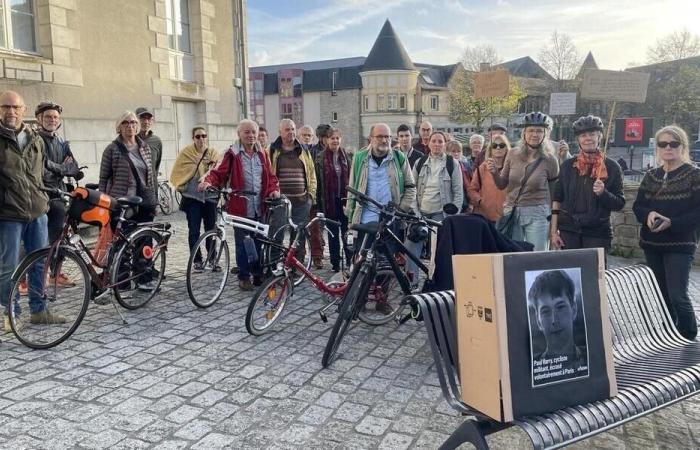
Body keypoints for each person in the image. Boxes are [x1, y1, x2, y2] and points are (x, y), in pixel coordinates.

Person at [0, 90, 66, 331]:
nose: (11, 112)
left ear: (24, 111)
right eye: (6, 107)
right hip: (8, 216)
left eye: (16, 107)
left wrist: (44, 201)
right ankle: (11, 313)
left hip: (37, 212)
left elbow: (39, 175)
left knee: (39, 262)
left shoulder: (34, 139)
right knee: (9, 266)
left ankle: (39, 310)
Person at [632, 125, 700, 340]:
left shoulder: (694, 174)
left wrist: (673, 222)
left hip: (680, 244)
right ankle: (670, 334)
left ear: (682, 146)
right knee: (661, 294)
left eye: (673, 143)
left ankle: (689, 335)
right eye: (663, 144)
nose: (668, 148)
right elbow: (638, 206)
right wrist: (649, 214)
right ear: (657, 148)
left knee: (677, 294)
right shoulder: (651, 175)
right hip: (652, 244)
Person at [199, 119, 280, 291]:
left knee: (259, 241)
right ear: (239, 134)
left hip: (260, 205)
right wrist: (207, 182)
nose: (251, 135)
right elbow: (217, 172)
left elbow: (271, 177)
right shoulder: (232, 153)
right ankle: (244, 277)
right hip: (240, 206)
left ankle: (257, 274)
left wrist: (273, 190)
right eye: (247, 132)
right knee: (243, 243)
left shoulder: (262, 153)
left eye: (253, 132)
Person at [550, 115, 625, 258]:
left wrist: (603, 193)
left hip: (597, 233)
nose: (587, 138)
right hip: (569, 231)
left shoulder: (612, 167)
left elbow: (619, 203)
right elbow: (557, 199)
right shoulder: (568, 166)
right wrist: (554, 232)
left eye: (592, 134)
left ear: (600, 136)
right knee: (570, 277)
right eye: (583, 135)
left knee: (595, 276)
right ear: (578, 140)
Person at [99, 111, 158, 290]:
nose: (130, 126)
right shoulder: (112, 149)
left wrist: (154, 201)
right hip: (122, 201)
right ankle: (122, 281)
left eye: (133, 122)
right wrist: (104, 204)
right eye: (125, 123)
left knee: (145, 240)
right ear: (119, 126)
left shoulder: (145, 147)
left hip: (144, 201)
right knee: (121, 241)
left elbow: (151, 176)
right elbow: (103, 178)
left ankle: (143, 278)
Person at [490, 112, 559, 251]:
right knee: (513, 255)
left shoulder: (550, 160)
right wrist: (494, 173)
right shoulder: (512, 154)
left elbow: (554, 195)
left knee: (537, 255)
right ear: (524, 133)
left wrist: (554, 227)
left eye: (539, 131)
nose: (535, 134)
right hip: (512, 211)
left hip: (538, 213)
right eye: (531, 130)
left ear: (545, 134)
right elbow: (502, 184)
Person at [405, 131, 462, 284]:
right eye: (434, 141)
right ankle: (412, 282)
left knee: (438, 252)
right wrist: (415, 212)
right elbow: (412, 189)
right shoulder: (420, 162)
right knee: (411, 247)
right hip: (421, 213)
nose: (437, 144)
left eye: (440, 141)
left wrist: (452, 216)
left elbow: (458, 192)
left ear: (445, 144)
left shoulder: (452, 164)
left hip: (441, 214)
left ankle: (435, 281)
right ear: (428, 143)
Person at [346, 123, 416, 242]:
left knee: (388, 258)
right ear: (371, 138)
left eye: (387, 137)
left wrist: (401, 210)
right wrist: (350, 217)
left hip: (391, 221)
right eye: (379, 137)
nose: (384, 140)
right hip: (365, 219)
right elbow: (353, 187)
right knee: (363, 257)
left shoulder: (399, 157)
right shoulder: (359, 157)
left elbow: (411, 187)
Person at [35, 101, 80, 286]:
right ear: (39, 119)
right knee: (36, 238)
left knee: (59, 237)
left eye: (55, 117)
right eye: (48, 117)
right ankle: (27, 278)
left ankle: (56, 273)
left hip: (59, 194)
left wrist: (60, 168)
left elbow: (74, 167)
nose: (52, 120)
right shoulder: (35, 140)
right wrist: (63, 167)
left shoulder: (62, 142)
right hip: (40, 193)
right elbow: (40, 167)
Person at [170, 126, 220, 272]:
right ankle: (197, 260)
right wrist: (183, 186)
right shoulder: (186, 153)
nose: (201, 139)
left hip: (210, 197)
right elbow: (177, 172)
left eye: (204, 136)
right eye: (198, 136)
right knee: (194, 231)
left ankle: (212, 259)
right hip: (192, 198)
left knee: (211, 229)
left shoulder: (213, 153)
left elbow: (219, 171)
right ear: (193, 138)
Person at [268, 119, 317, 262]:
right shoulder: (272, 150)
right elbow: (268, 174)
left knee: (298, 236)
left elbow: (312, 173)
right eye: (287, 129)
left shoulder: (303, 149)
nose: (291, 132)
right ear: (280, 132)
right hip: (280, 201)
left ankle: (296, 265)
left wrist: (311, 196)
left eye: (293, 129)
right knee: (277, 233)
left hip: (302, 201)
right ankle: (274, 264)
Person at [528, 270, 587, 374]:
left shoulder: (591, 357)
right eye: (546, 311)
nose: (554, 320)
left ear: (573, 310)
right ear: (538, 321)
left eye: (560, 307)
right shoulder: (530, 369)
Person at [315, 127, 351, 272]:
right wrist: (319, 205)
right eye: (332, 138)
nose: (335, 141)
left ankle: (350, 259)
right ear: (327, 140)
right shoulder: (320, 158)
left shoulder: (347, 156)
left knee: (347, 233)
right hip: (329, 201)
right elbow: (318, 182)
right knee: (333, 233)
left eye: (337, 138)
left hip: (344, 201)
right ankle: (335, 262)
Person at [469, 134, 510, 223]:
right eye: (494, 146)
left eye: (502, 145)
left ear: (507, 148)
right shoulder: (483, 167)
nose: (498, 148)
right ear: (490, 150)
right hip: (485, 217)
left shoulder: (513, 167)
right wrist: (480, 201)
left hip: (507, 217)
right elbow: (472, 189)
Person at [308, 123, 332, 268]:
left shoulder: (335, 151)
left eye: (327, 137)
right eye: (323, 137)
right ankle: (317, 255)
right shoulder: (312, 152)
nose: (325, 140)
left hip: (330, 194)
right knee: (315, 228)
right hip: (317, 194)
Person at [135, 107, 163, 197]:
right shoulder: (130, 139)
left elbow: (155, 166)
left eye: (149, 119)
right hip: (134, 189)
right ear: (136, 121)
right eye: (142, 118)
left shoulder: (157, 141)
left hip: (150, 189)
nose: (146, 122)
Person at [446, 140, 472, 212]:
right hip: (449, 203)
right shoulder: (444, 166)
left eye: (459, 151)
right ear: (447, 152)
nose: (456, 154)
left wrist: (471, 203)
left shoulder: (466, 166)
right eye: (453, 151)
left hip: (465, 203)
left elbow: (470, 185)